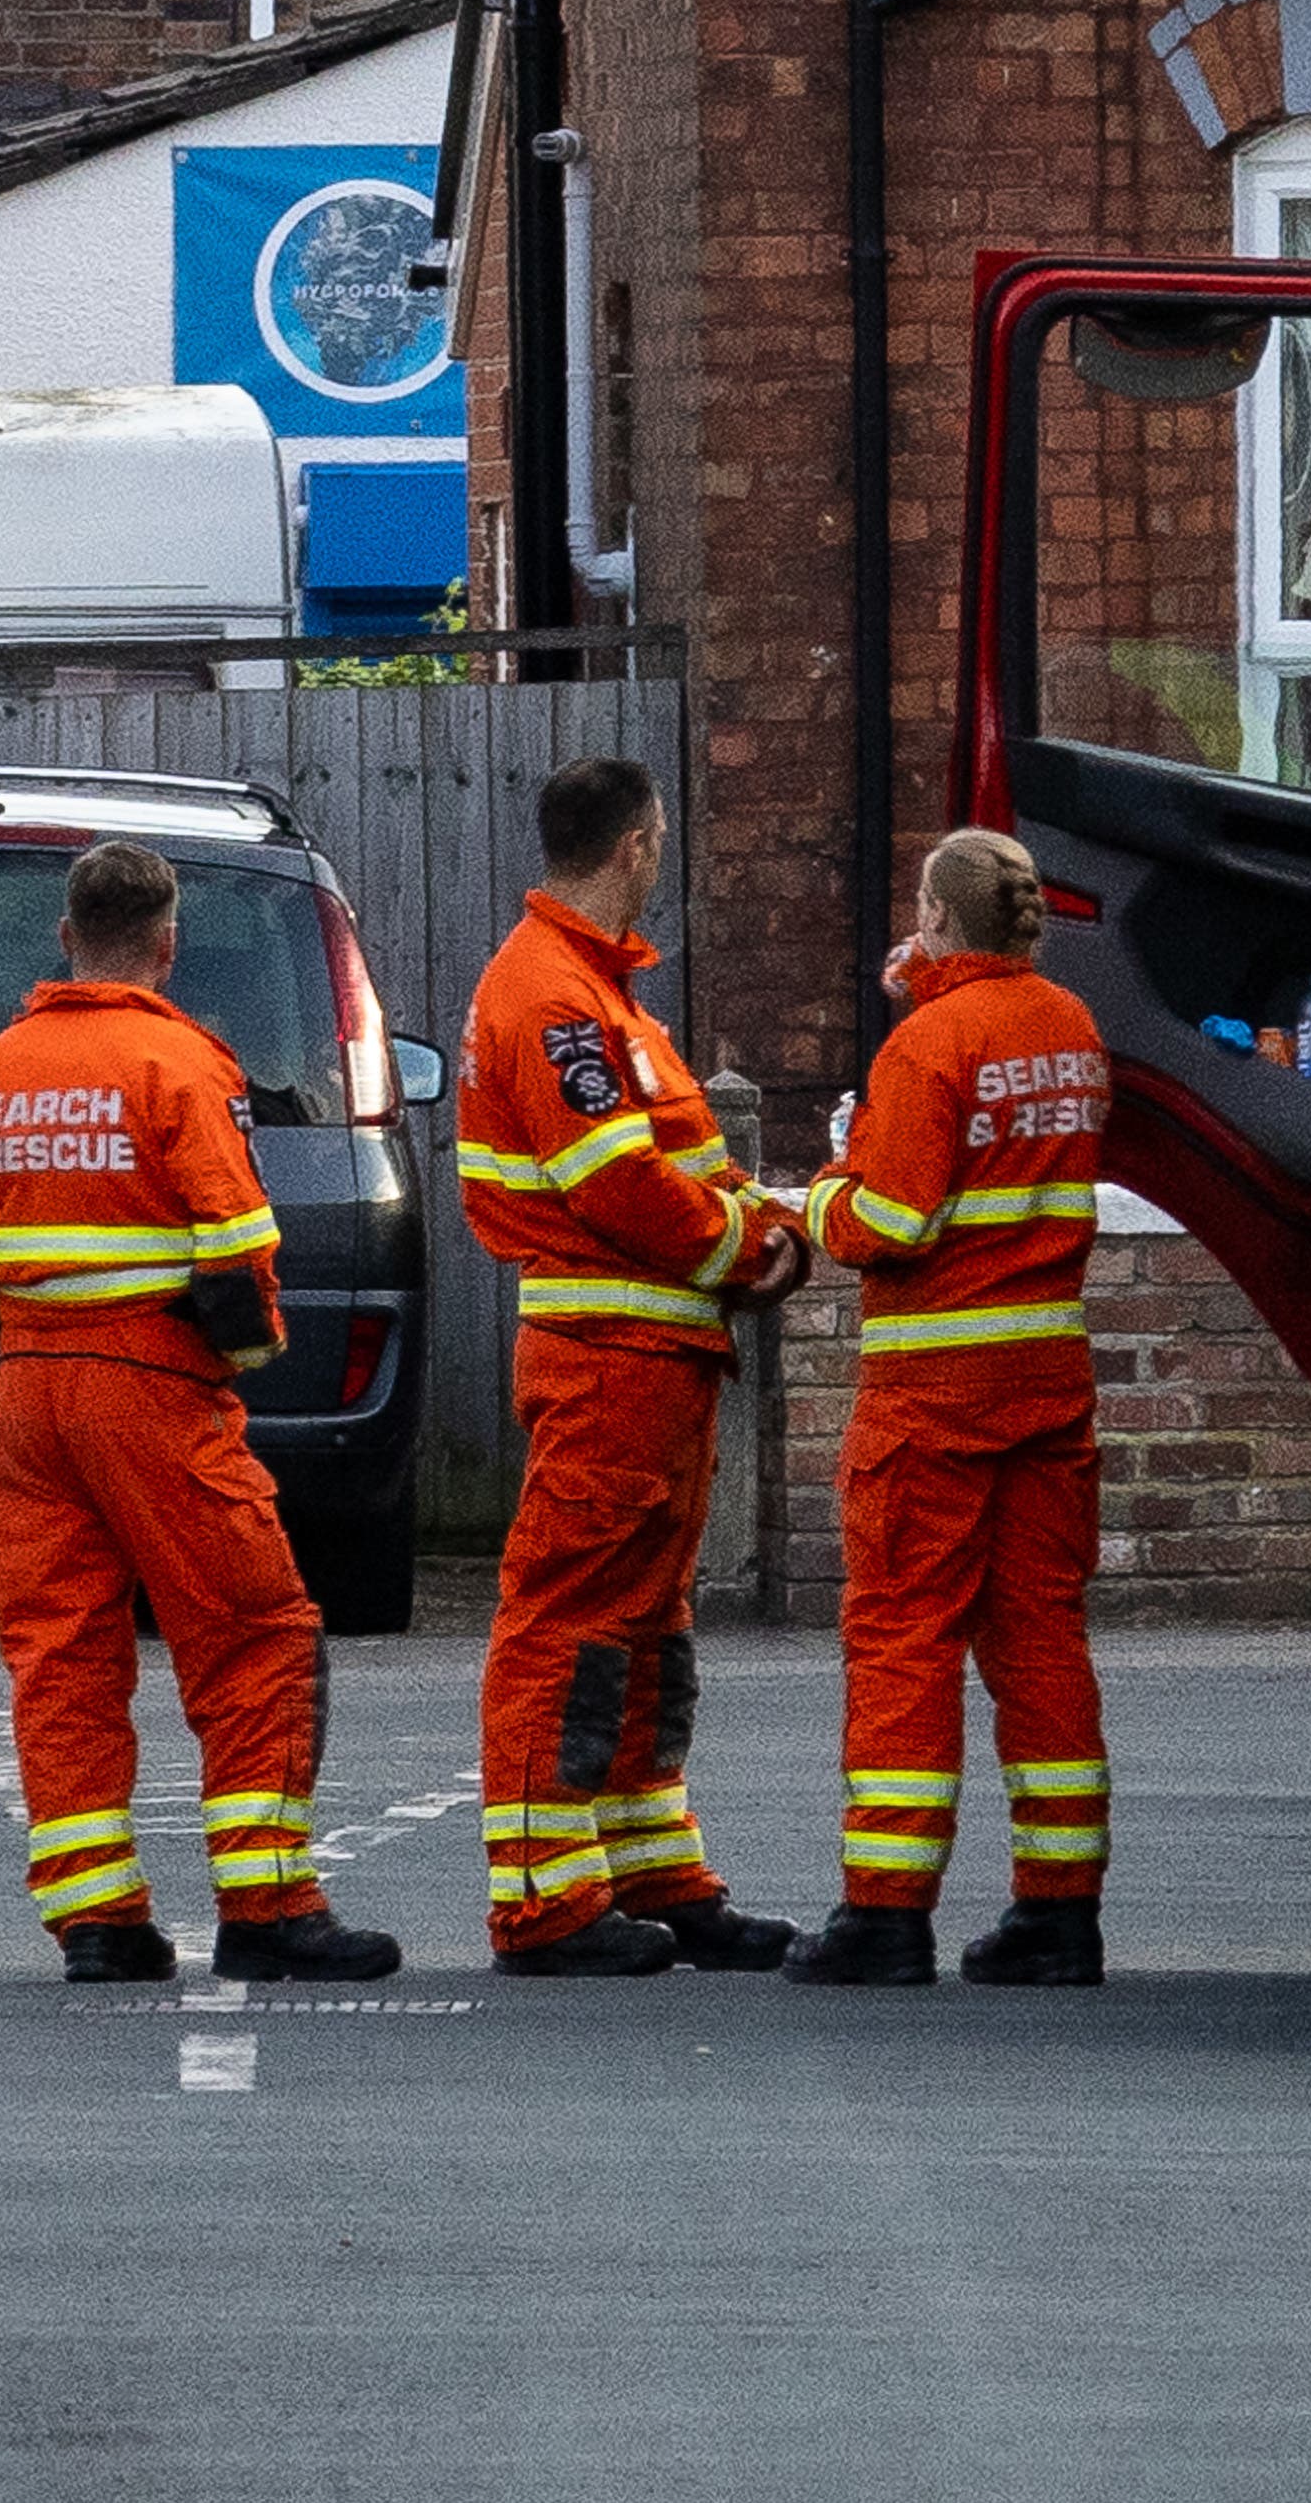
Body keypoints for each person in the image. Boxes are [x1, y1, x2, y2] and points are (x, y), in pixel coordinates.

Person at [0, 842, 398, 1985]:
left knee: (62, 1652)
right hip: (154, 1388)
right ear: (168, 944)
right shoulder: (180, 1064)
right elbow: (235, 1251)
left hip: (29, 1398)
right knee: (254, 1632)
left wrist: (30, 1326)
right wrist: (242, 1351)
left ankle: (98, 1922)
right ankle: (268, 1907)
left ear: (65, 937)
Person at [456, 759, 811, 1976]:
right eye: (660, 843)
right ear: (637, 845)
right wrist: (746, 1248)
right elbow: (616, 1182)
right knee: (570, 1621)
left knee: (647, 1628)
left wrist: (755, 1224)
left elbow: (665, 1167)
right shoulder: (557, 998)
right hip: (610, 1354)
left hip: (653, 1355)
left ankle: (653, 1870)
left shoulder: (595, 995)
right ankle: (544, 1900)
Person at [788, 826, 1114, 1989]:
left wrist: (826, 1188)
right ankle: (1059, 1911)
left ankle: (886, 1914)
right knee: (1040, 1641)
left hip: (933, 1399)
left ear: (934, 915)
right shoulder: (1069, 1030)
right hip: (1045, 1388)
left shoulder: (928, 1047)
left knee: (904, 1642)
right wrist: (923, 989)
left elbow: (894, 1221)